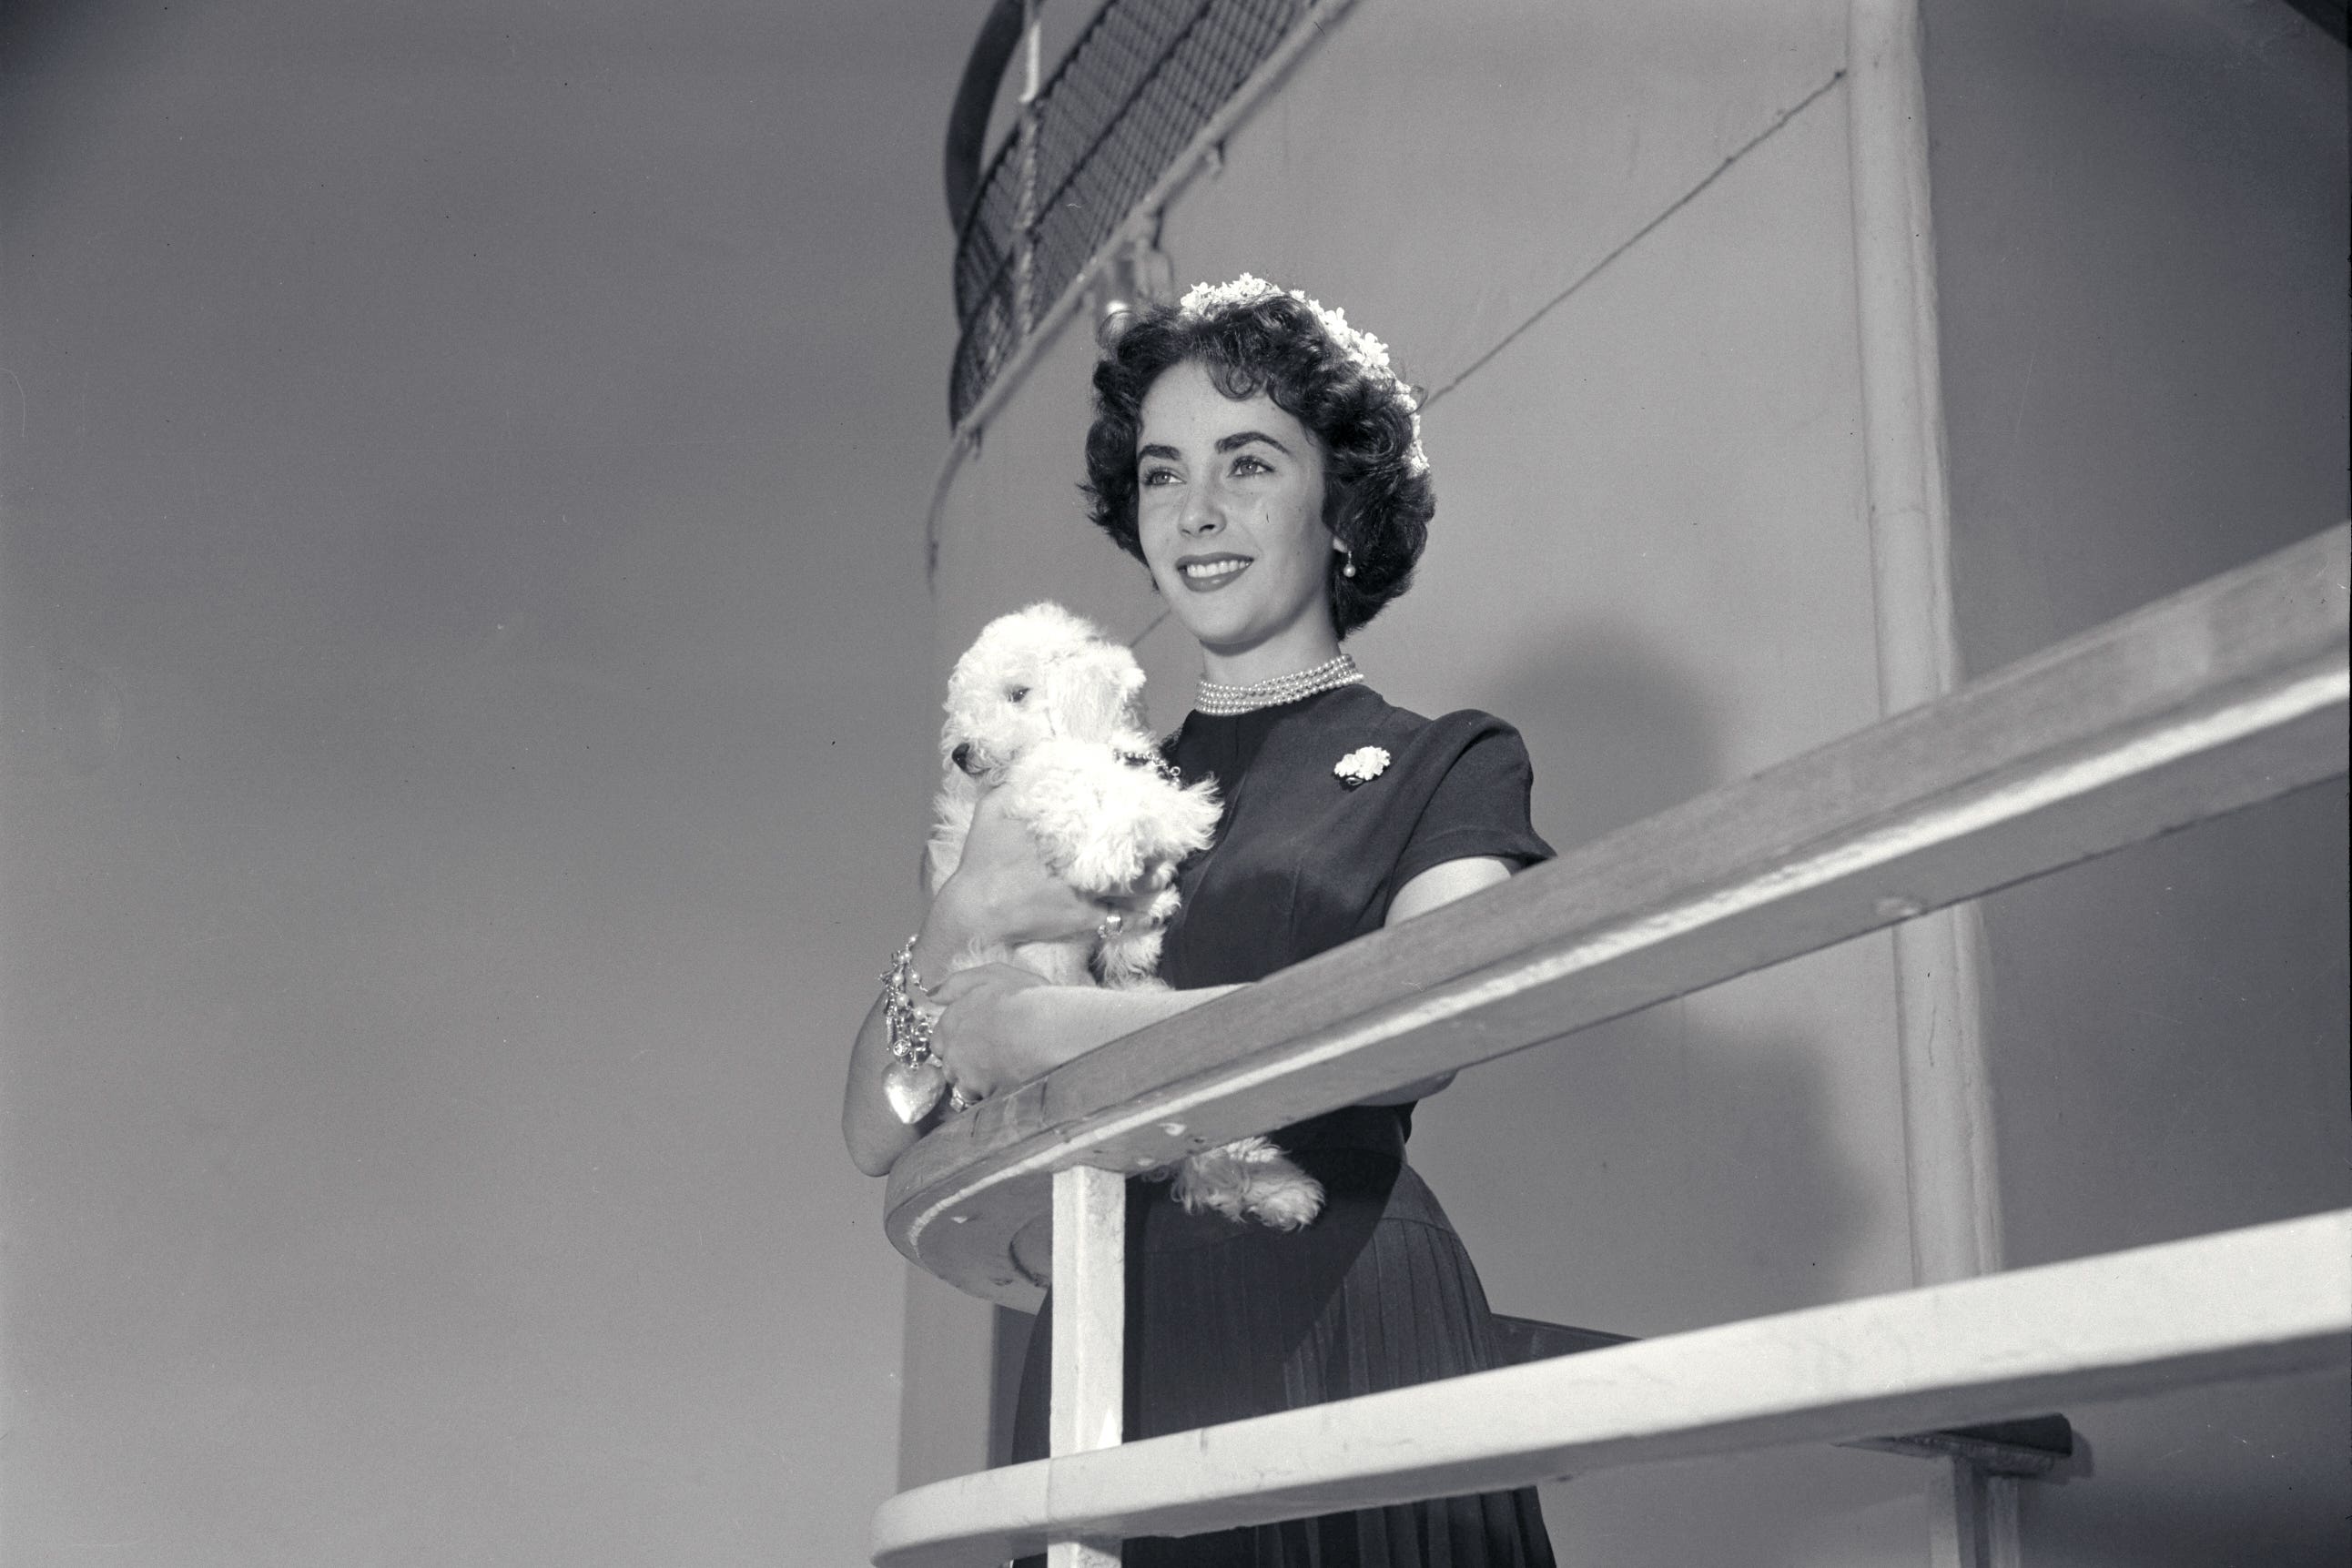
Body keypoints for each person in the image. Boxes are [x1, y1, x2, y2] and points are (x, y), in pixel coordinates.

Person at [842, 275, 1556, 1566]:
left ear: (1341, 499)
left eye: (1250, 462)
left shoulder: (1445, 761)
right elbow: (871, 1129)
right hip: (1115, 1333)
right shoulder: (1089, 791)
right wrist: (958, 923)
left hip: (1350, 1310)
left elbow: (1420, 1017)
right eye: (1164, 474)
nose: (1199, 512)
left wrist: (1032, 1023)